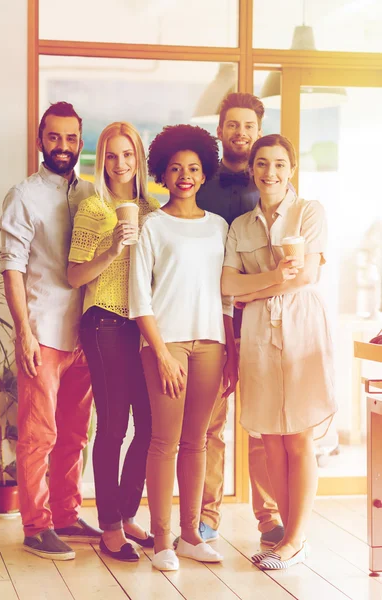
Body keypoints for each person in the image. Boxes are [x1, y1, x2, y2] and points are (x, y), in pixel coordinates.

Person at [222, 134, 337, 569]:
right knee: (270, 435)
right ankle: (290, 540)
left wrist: (257, 287)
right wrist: (271, 278)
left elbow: (305, 277)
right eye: (263, 164)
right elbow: (228, 286)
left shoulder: (310, 212)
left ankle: (295, 538)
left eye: (279, 164)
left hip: (302, 326)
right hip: (256, 332)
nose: (270, 173)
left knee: (299, 435)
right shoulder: (240, 227)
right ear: (251, 168)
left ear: (291, 170)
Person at [129, 124, 238, 571]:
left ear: (204, 172)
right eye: (176, 168)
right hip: (165, 344)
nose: (185, 176)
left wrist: (230, 349)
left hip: (211, 342)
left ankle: (191, 534)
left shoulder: (219, 227)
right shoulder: (152, 224)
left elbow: (226, 295)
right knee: (163, 442)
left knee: (197, 443)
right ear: (163, 173)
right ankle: (161, 542)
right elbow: (139, 296)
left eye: (193, 168)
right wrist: (160, 352)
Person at [0, 101, 102, 561]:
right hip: (42, 329)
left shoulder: (90, 196)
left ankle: (65, 514)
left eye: (71, 138)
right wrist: (22, 332)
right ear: (41, 139)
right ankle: (37, 525)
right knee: (39, 433)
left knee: (76, 433)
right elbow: (12, 267)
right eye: (54, 137)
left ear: (81, 142)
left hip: (86, 333)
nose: (63, 146)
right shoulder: (23, 195)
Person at [67, 122, 159, 561]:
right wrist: (111, 250)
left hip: (141, 327)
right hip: (103, 324)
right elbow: (74, 276)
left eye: (128, 155)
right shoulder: (94, 208)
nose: (120, 164)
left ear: (138, 158)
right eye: (111, 155)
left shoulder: (152, 209)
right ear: (101, 159)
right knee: (114, 426)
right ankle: (108, 526)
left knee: (150, 425)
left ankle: (126, 513)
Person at [196, 92, 283, 547]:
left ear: (258, 128)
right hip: (210, 320)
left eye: (249, 125)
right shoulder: (201, 186)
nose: (241, 133)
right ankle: (205, 518)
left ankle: (269, 519)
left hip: (259, 320)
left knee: (262, 421)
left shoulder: (270, 188)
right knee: (210, 425)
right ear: (220, 130)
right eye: (233, 125)